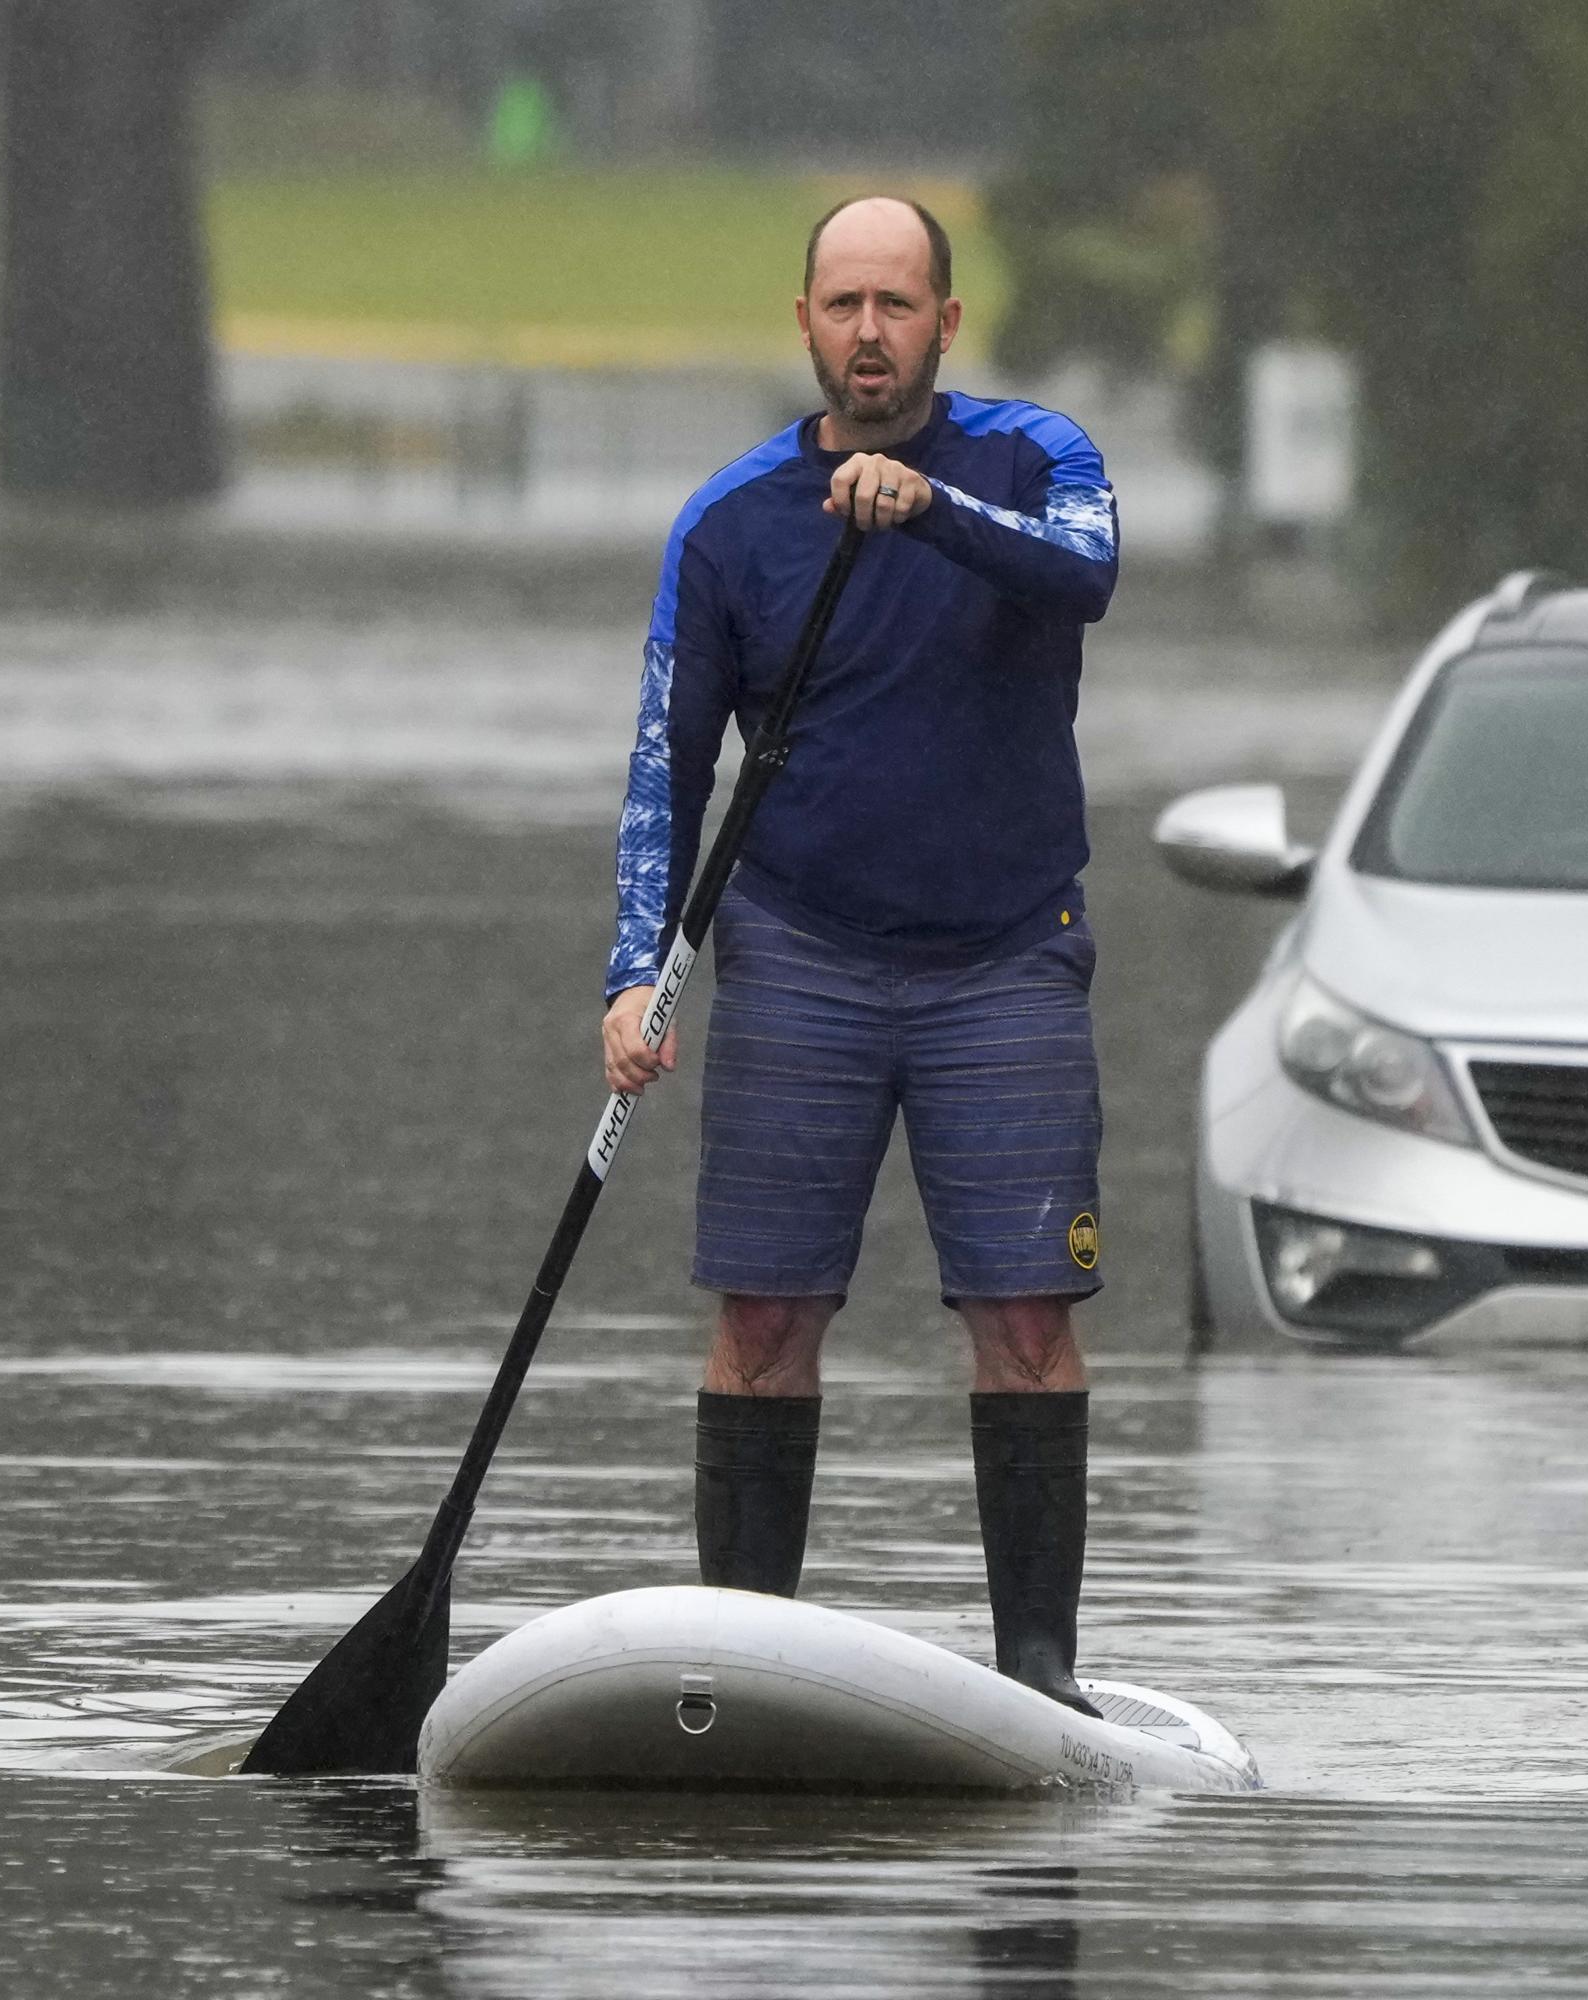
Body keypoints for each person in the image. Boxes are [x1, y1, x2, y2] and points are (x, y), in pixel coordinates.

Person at [602, 194, 1117, 1713]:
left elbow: (1082, 570)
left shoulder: (1039, 458)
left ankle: (1041, 1675)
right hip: (802, 960)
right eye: (845, 306)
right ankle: (743, 1663)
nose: (872, 334)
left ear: (946, 326)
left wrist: (926, 508)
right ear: (806, 323)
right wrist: (636, 973)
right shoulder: (732, 519)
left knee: (1026, 1319)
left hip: (1007, 958)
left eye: (900, 306)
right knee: (763, 1322)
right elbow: (664, 771)